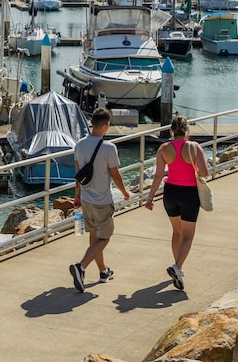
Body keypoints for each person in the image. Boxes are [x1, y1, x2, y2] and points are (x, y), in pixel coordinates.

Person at [144, 114, 210, 291]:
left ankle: (178, 268)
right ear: (187, 129)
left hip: (170, 193)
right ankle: (176, 267)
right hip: (189, 193)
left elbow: (158, 175)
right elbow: (204, 173)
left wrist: (150, 198)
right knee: (188, 235)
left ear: (171, 130)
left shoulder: (164, 148)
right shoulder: (194, 147)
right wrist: (194, 167)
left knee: (176, 231)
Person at [68, 108, 130, 293]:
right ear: (106, 125)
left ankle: (103, 271)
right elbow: (115, 175)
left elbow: (78, 174)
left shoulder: (79, 145)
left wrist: (77, 195)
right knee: (104, 237)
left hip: (86, 198)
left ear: (91, 124)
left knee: (94, 237)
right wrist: (125, 192)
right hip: (102, 200)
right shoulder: (109, 148)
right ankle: (81, 267)